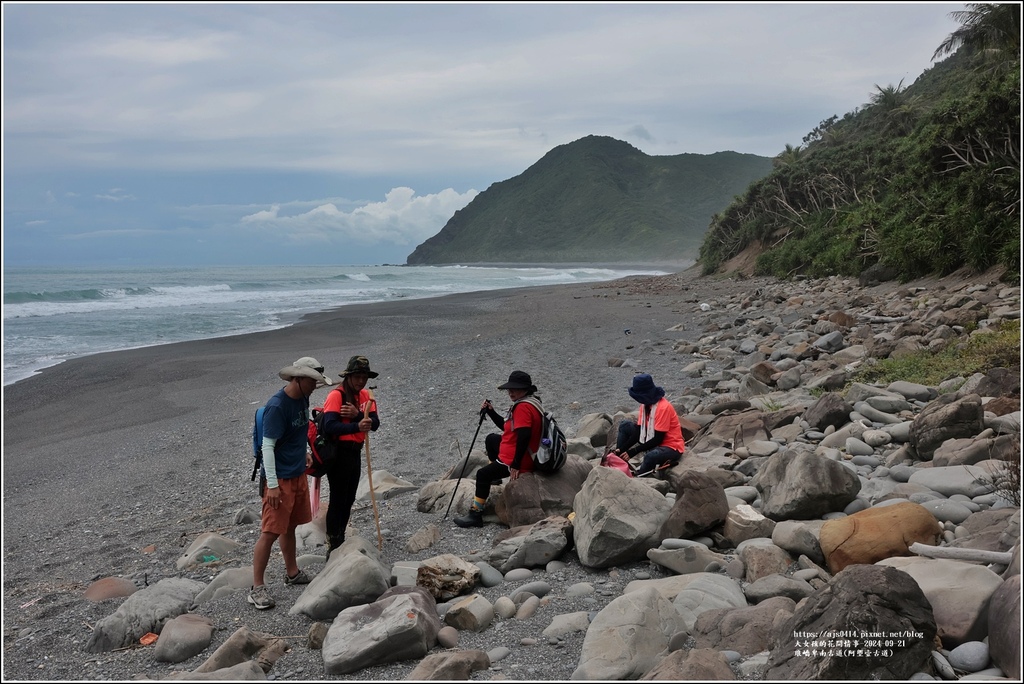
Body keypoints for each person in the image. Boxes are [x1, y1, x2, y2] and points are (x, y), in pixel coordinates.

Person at [249, 357, 331, 610]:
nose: (315, 386)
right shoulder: (277, 406)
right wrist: (273, 485)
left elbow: (300, 430)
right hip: (280, 478)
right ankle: (256, 588)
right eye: (312, 381)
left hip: (297, 473)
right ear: (298, 379)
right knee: (270, 532)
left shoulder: (302, 398)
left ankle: (292, 572)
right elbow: (268, 447)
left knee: (290, 526)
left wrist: (304, 451)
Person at [454, 370, 543, 528]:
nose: (510, 392)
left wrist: (516, 464)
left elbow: (524, 436)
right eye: (509, 389)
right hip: (515, 451)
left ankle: (476, 514)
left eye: (515, 389)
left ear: (525, 389)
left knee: (482, 474)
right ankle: (494, 478)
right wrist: (491, 411)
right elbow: (506, 426)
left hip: (517, 458)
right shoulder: (531, 402)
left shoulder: (522, 408)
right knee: (491, 439)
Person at [320, 355, 380, 558]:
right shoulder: (336, 396)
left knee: (349, 498)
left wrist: (357, 415)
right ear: (348, 376)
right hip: (339, 453)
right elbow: (329, 425)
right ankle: (333, 542)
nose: (361, 381)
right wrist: (357, 425)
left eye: (364, 377)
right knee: (338, 498)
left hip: (355, 451)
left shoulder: (366, 396)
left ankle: (340, 536)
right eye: (357, 377)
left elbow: (375, 423)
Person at [609, 373, 686, 477]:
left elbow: (658, 439)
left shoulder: (663, 408)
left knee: (651, 456)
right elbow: (639, 432)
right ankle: (619, 460)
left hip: (670, 446)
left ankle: (640, 477)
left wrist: (633, 451)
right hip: (650, 438)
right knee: (624, 425)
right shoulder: (645, 406)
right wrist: (622, 449)